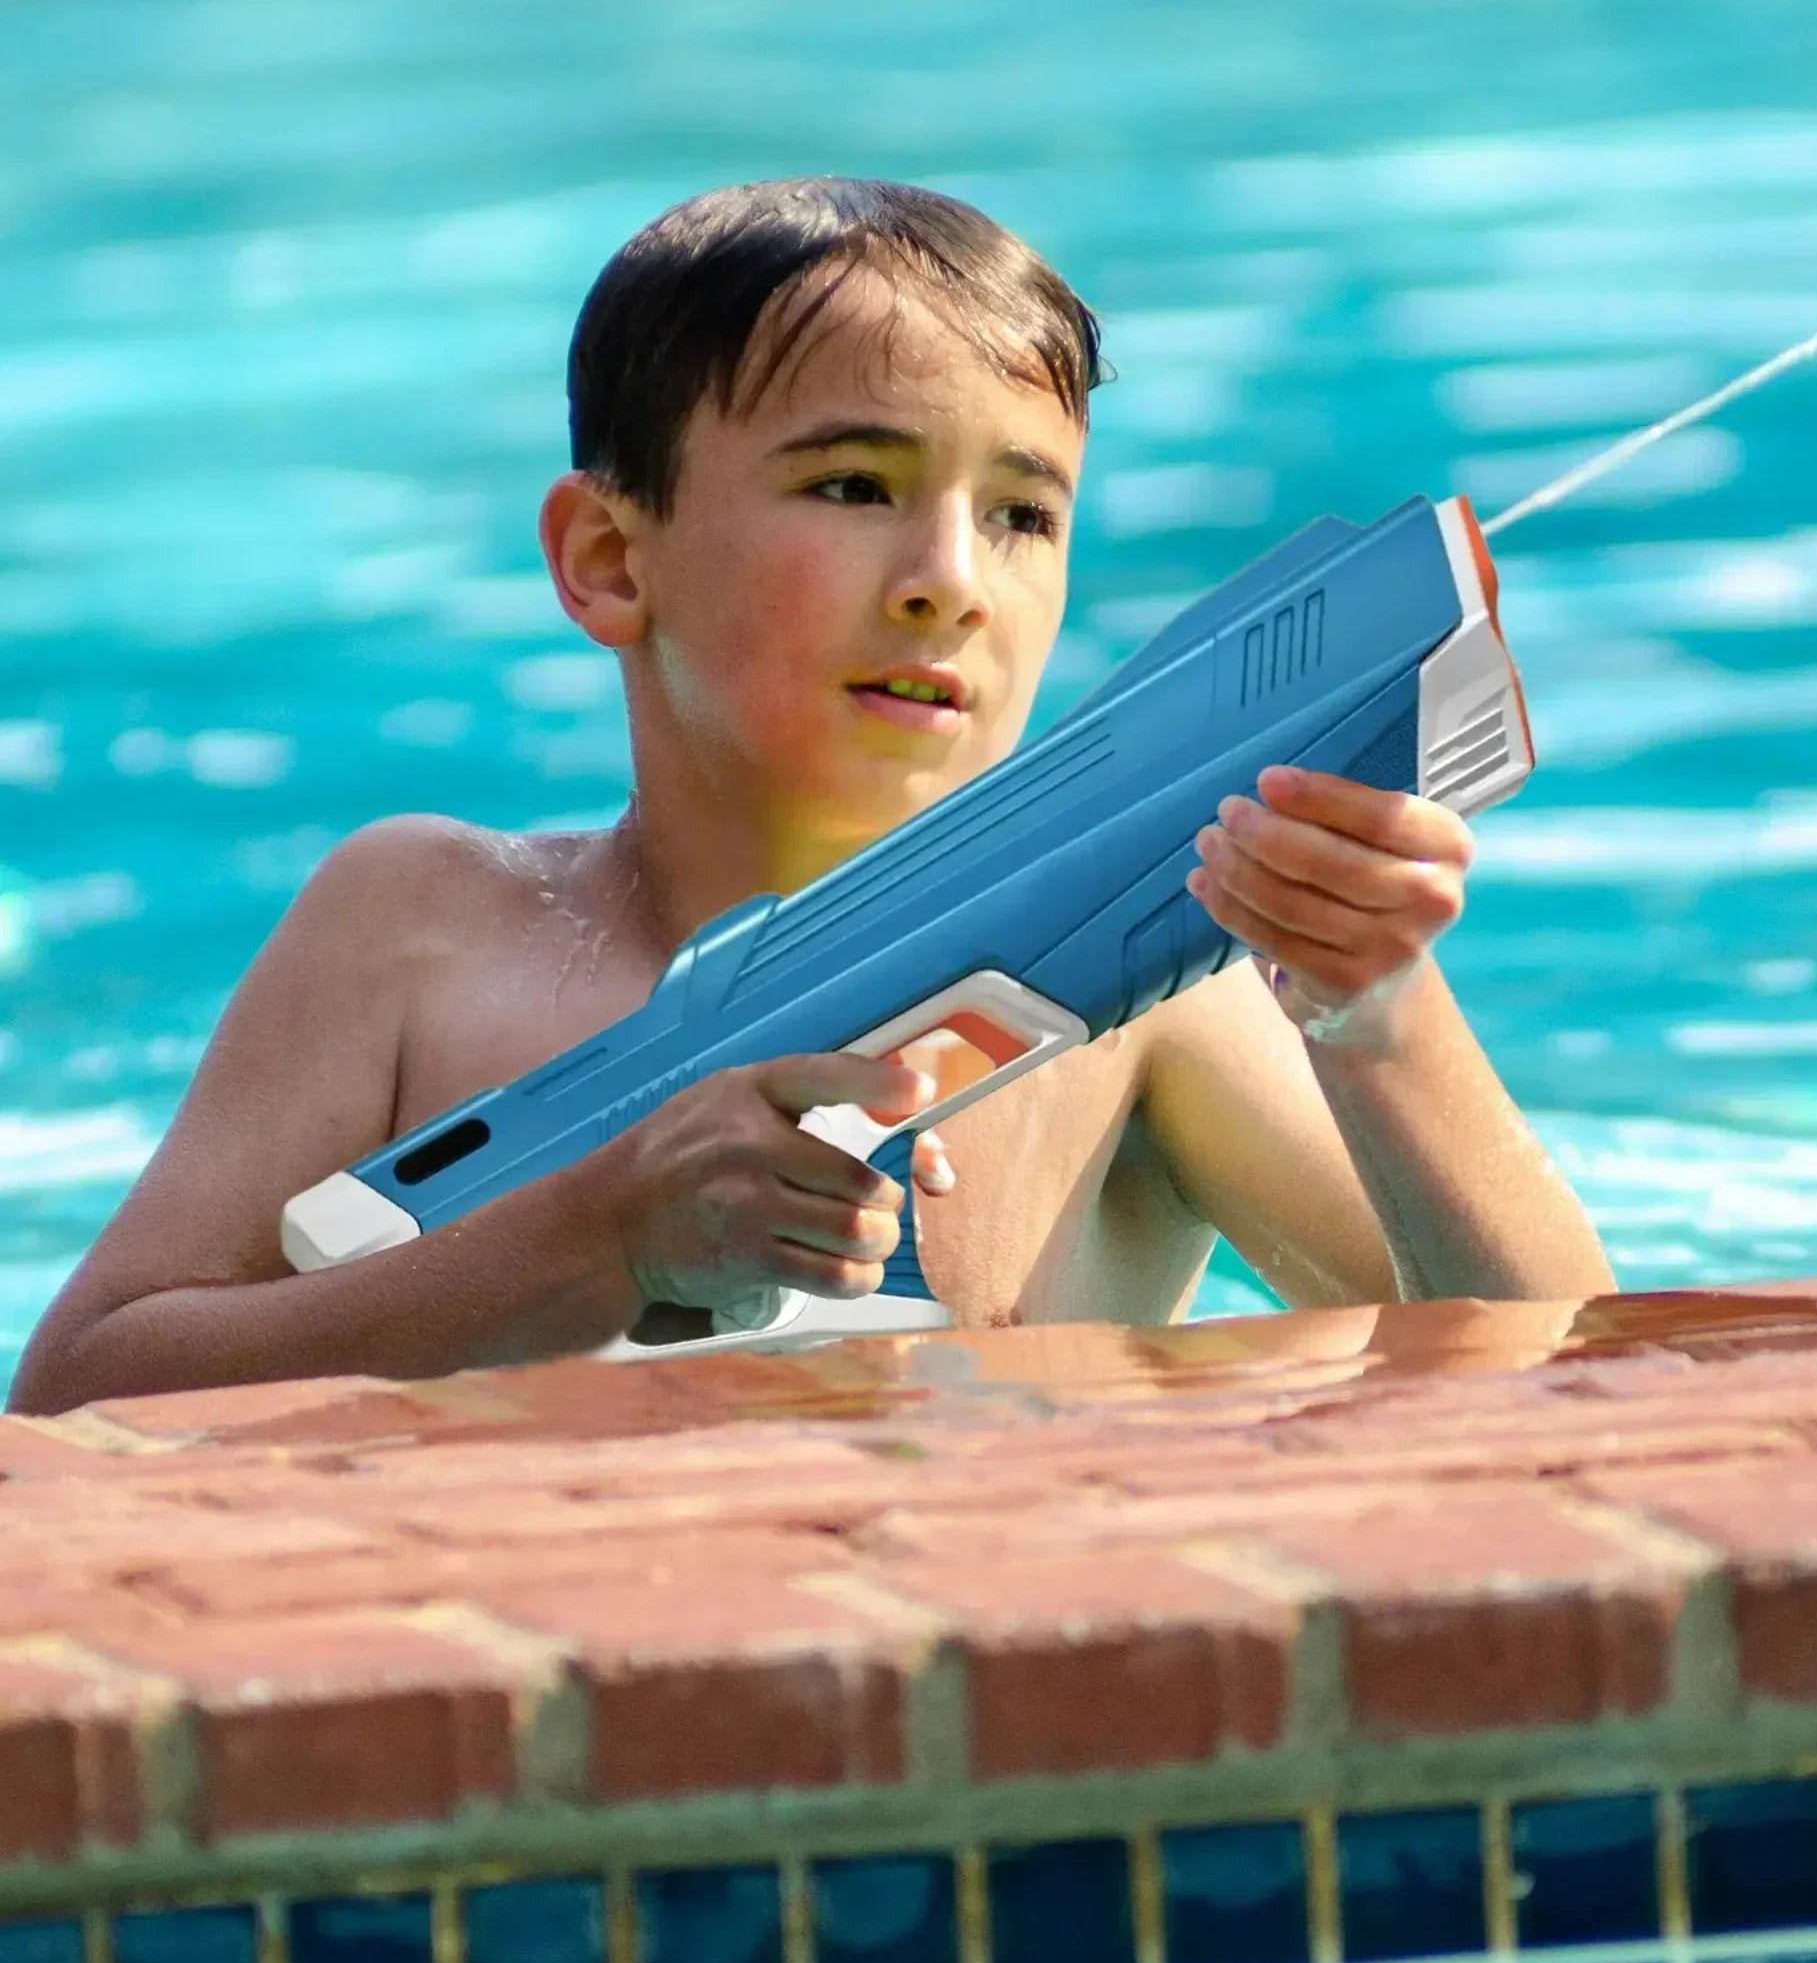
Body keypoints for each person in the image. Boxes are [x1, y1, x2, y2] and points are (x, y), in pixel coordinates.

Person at [12, 179, 1610, 1413]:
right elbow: (76, 1409)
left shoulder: (1147, 1005)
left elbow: (1565, 1372)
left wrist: (1374, 1011)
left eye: (1023, 517)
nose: (947, 584)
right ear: (609, 560)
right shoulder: (420, 929)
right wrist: (598, 1240)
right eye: (854, 489)